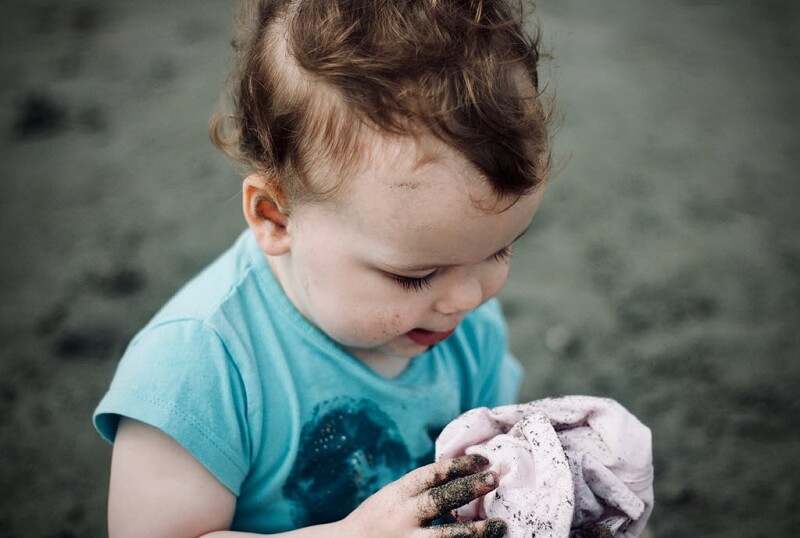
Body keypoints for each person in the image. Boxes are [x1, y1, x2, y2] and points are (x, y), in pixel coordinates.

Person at [93, 0, 552, 536]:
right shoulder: (198, 366)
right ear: (276, 218)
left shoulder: (463, 328)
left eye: (498, 251)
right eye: (414, 275)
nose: (468, 298)